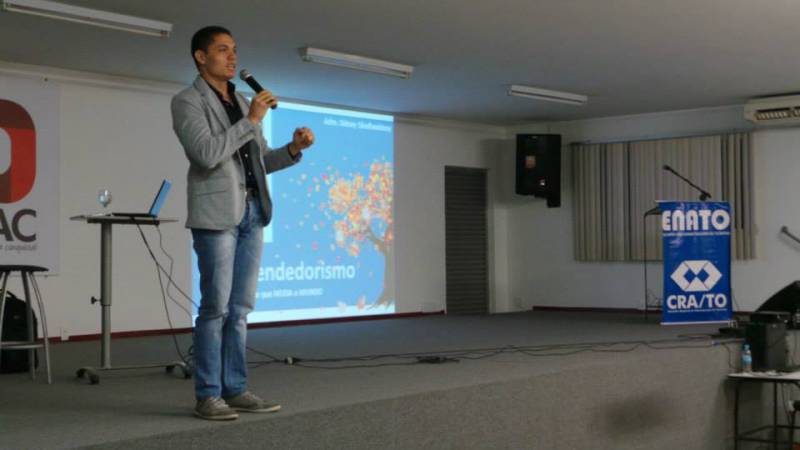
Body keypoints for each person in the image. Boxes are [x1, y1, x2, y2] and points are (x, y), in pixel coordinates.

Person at [171, 25, 315, 420]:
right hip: (217, 214)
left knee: (240, 309)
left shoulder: (241, 100)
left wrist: (293, 149)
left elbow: (260, 160)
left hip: (253, 212)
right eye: (222, 50)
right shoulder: (187, 101)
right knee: (215, 308)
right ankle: (208, 395)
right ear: (201, 57)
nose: (232, 57)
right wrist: (251, 119)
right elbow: (206, 154)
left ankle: (235, 389)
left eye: (234, 50)